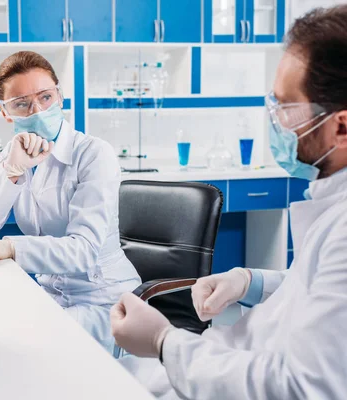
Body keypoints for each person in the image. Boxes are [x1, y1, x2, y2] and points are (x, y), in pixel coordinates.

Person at [111, 5, 347, 399]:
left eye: (286, 108)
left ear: (340, 126)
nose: (276, 122)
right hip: (225, 360)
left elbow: (301, 388)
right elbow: (322, 297)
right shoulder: (333, 204)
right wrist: (249, 281)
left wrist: (164, 342)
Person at [0, 51, 140, 351]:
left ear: (60, 97)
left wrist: (9, 248)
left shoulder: (93, 155)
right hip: (53, 296)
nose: (38, 110)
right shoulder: (13, 154)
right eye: (21, 104)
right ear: (5, 112)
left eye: (45, 97)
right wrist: (13, 172)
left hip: (106, 301)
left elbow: (82, 252)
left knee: (18, 347)